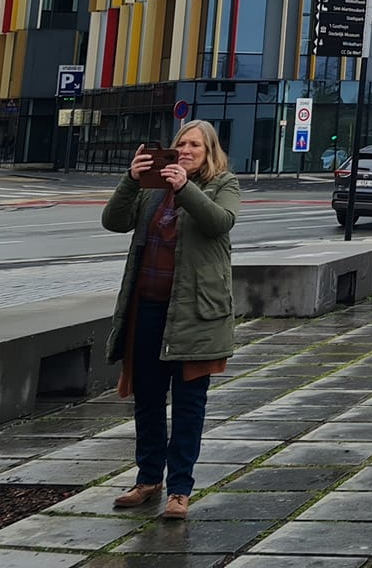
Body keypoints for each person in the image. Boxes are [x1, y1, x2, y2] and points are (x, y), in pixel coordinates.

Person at [102, 119, 238, 520]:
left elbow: (219, 222)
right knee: (147, 399)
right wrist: (131, 180)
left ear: (209, 152)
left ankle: (180, 489)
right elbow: (113, 221)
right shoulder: (152, 190)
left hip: (195, 312)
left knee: (189, 404)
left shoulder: (222, 184)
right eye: (182, 143)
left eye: (195, 145)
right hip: (148, 308)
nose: (186, 150)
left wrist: (184, 189)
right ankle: (148, 479)